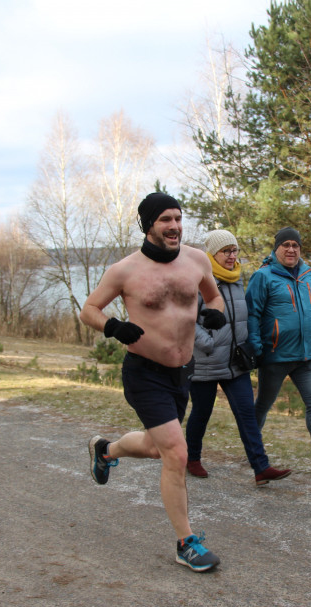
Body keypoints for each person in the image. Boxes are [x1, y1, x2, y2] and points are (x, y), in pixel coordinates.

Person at [79, 192, 227, 573]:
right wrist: (114, 326)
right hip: (144, 373)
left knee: (155, 448)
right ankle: (185, 543)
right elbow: (89, 310)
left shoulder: (196, 259)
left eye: (178, 218)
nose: (174, 226)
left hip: (183, 372)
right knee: (177, 454)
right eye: (165, 219)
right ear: (148, 225)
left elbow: (214, 298)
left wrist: (214, 315)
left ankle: (106, 450)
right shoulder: (125, 271)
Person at [185, 229, 292, 486]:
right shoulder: (198, 280)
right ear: (212, 254)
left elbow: (243, 316)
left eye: (235, 251)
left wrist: (249, 343)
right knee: (201, 413)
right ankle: (192, 458)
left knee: (246, 414)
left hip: (236, 361)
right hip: (206, 360)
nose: (232, 256)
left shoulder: (236, 279)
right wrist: (208, 343)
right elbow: (187, 320)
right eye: (226, 251)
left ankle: (261, 467)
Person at [246, 227, 311, 476]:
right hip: (275, 356)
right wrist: (255, 348)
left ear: (300, 248)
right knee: (263, 406)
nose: (291, 249)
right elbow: (252, 314)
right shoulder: (264, 276)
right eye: (286, 245)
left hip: (307, 355)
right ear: (277, 248)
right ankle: (253, 452)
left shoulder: (310, 275)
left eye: (295, 245)